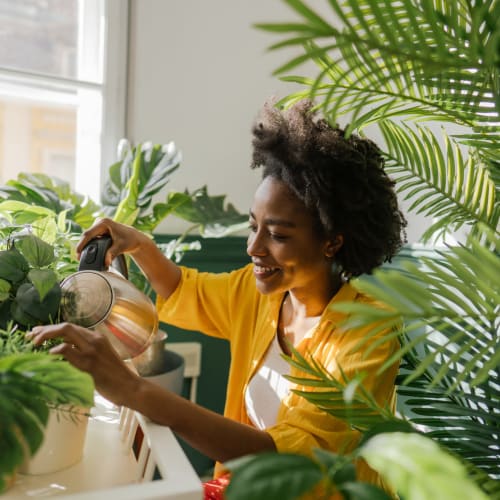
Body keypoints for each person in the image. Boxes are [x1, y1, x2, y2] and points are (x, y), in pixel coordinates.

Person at [29, 98, 407, 497]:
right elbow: (184, 289)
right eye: (252, 226)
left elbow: (290, 463)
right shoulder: (260, 294)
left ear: (332, 242)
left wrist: (135, 390)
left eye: (277, 235)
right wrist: (139, 245)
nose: (253, 247)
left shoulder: (369, 331)